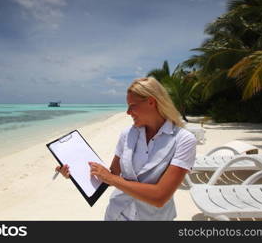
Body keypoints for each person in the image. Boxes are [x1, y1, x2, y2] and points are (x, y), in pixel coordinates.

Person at [55, 77, 197, 220]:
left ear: (151, 102)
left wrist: (111, 178)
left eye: (132, 105)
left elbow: (160, 197)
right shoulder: (127, 134)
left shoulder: (183, 140)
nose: (128, 112)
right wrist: (74, 172)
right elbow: (109, 176)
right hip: (116, 215)